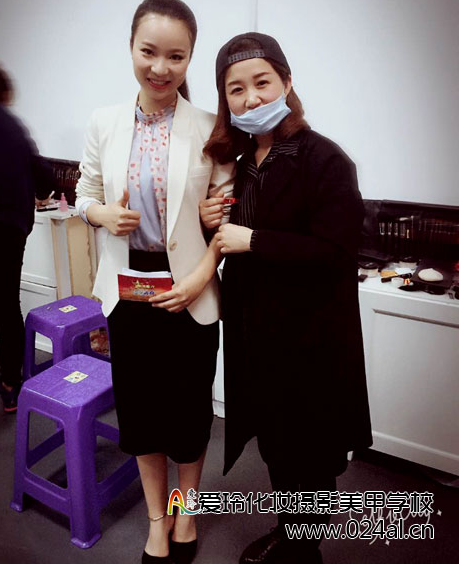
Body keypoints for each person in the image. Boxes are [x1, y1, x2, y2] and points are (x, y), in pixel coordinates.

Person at [201, 33, 372, 564]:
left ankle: (304, 545)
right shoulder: (242, 162)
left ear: (286, 82)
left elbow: (337, 253)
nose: (251, 98)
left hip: (310, 338)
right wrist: (213, 221)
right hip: (257, 334)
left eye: (262, 82)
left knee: (310, 448)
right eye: (236, 90)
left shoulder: (324, 159)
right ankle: (290, 530)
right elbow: (233, 236)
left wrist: (253, 240)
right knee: (275, 441)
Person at [75, 0, 234, 564]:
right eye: (149, 52)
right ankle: (156, 521)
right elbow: (85, 193)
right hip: (128, 290)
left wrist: (200, 272)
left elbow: (225, 217)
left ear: (190, 59)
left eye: (176, 56)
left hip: (190, 289)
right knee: (141, 416)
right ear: (131, 49)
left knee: (189, 414)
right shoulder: (104, 122)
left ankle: (185, 513)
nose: (160, 68)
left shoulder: (211, 127)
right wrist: (101, 215)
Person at [0, 58, 53, 411]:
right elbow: (44, 177)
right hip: (8, 228)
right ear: (4, 91)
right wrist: (40, 194)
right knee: (6, 306)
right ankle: (11, 385)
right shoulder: (13, 126)